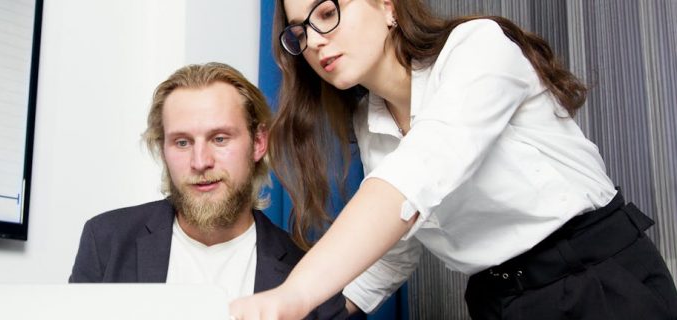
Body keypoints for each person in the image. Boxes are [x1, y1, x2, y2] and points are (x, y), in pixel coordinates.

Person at [229, 0, 677, 319]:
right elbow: (394, 250)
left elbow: (419, 174)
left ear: (388, 7)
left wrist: (296, 293)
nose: (314, 42)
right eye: (300, 32)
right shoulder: (371, 122)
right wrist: (313, 312)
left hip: (593, 279)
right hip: (500, 300)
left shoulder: (478, 47)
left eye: (327, 14)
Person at [68, 63, 347, 319]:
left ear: (259, 142)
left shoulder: (312, 274)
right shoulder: (106, 241)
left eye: (220, 138)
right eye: (182, 142)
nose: (200, 161)